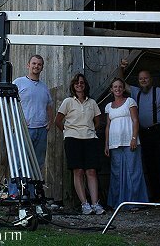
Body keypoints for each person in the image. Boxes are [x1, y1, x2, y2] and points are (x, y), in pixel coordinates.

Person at [119, 59, 160, 202]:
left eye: (146, 78)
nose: (143, 81)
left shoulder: (159, 92)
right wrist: (121, 68)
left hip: (159, 132)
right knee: (149, 164)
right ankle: (156, 196)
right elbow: (121, 82)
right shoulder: (135, 92)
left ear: (151, 79)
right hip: (144, 134)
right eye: (141, 79)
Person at [55, 73, 105, 215]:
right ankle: (85, 204)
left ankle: (95, 203)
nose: (79, 85)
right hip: (72, 139)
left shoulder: (92, 103)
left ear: (85, 85)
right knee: (78, 171)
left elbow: (98, 121)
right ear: (73, 85)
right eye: (77, 83)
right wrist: (67, 131)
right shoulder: (68, 102)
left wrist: (89, 131)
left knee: (91, 171)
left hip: (90, 139)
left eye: (82, 82)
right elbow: (58, 121)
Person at [9, 54, 53, 198]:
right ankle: (15, 196)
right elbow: (10, 105)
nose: (36, 66)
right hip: (24, 130)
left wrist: (49, 123)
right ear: (28, 65)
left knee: (36, 165)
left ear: (42, 67)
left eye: (39, 64)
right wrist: (16, 122)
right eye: (34, 63)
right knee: (19, 163)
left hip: (41, 130)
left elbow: (49, 106)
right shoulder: (19, 83)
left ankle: (31, 196)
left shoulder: (44, 87)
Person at [104, 78, 148, 211]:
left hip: (130, 141)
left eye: (120, 87)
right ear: (111, 90)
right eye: (115, 87)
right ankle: (118, 203)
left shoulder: (130, 101)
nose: (117, 89)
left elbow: (135, 120)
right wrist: (106, 144)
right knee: (117, 173)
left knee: (133, 171)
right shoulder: (108, 106)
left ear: (123, 89)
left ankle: (135, 202)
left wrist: (134, 138)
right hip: (114, 143)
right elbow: (107, 126)